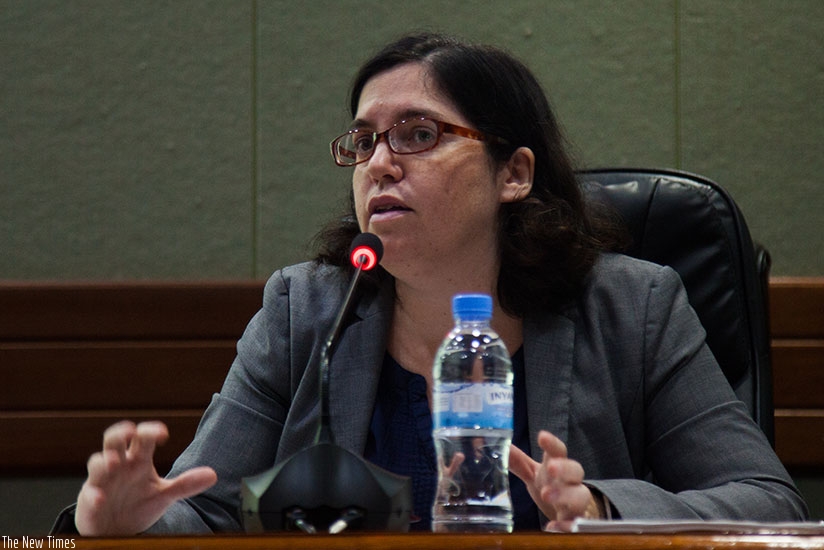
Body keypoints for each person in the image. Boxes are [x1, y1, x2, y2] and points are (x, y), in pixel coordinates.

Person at [57, 32, 807, 535]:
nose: (379, 163)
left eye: (419, 135)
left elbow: (766, 502)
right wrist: (121, 524)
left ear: (513, 174)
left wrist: (603, 506)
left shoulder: (633, 306)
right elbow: (206, 509)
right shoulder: (305, 311)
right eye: (363, 141)